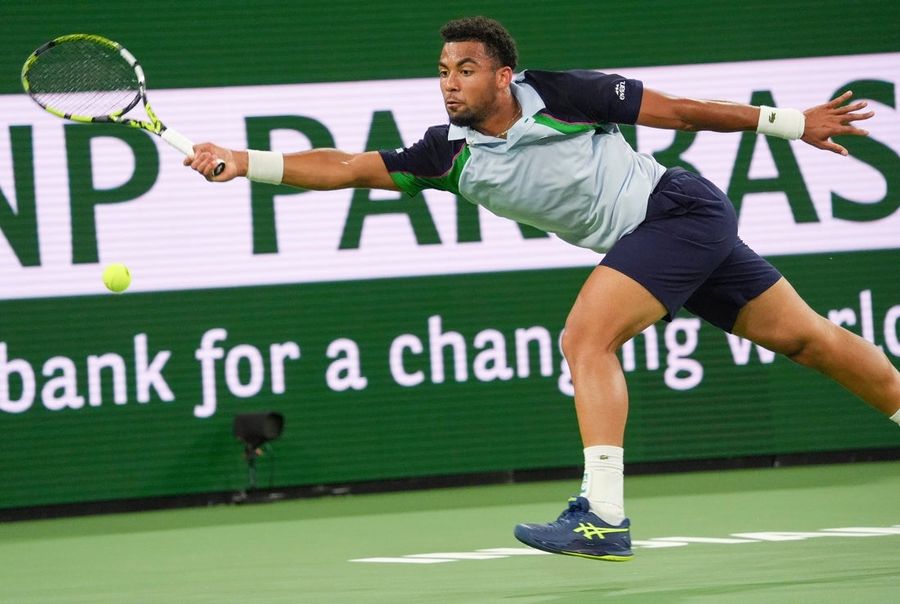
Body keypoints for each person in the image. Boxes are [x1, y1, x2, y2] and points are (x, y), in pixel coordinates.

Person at [186, 16, 900, 561]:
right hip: (663, 239)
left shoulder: (565, 93)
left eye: (466, 70)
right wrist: (243, 161)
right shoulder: (448, 154)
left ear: (502, 77)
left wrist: (792, 123)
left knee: (585, 338)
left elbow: (682, 112)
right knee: (813, 341)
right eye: (443, 71)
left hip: (677, 212)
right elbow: (344, 166)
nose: (449, 83)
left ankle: (603, 515)